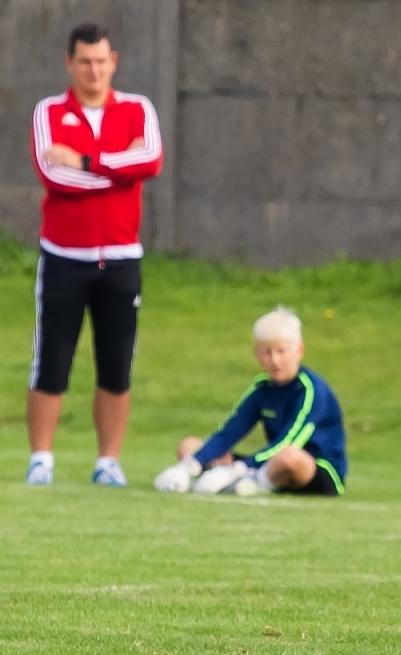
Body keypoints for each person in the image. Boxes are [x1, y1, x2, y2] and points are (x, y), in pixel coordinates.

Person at [26, 22, 163, 487]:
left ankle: (108, 461)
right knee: (53, 360)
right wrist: (119, 167)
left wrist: (87, 160)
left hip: (121, 257)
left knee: (116, 361)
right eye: (85, 61)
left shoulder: (138, 109)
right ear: (70, 63)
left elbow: (152, 161)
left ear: (114, 62)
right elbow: (54, 175)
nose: (93, 70)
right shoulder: (50, 111)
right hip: (65, 256)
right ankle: (41, 457)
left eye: (101, 61)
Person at [153, 308, 347, 497]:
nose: (275, 360)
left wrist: (238, 468)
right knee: (189, 445)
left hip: (313, 469)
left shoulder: (311, 390)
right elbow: (231, 430)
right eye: (267, 352)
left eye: (281, 351)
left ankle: (252, 481)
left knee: (290, 456)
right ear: (256, 354)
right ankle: (244, 481)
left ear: (299, 350)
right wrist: (191, 465)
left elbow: (290, 440)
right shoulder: (262, 388)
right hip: (267, 463)